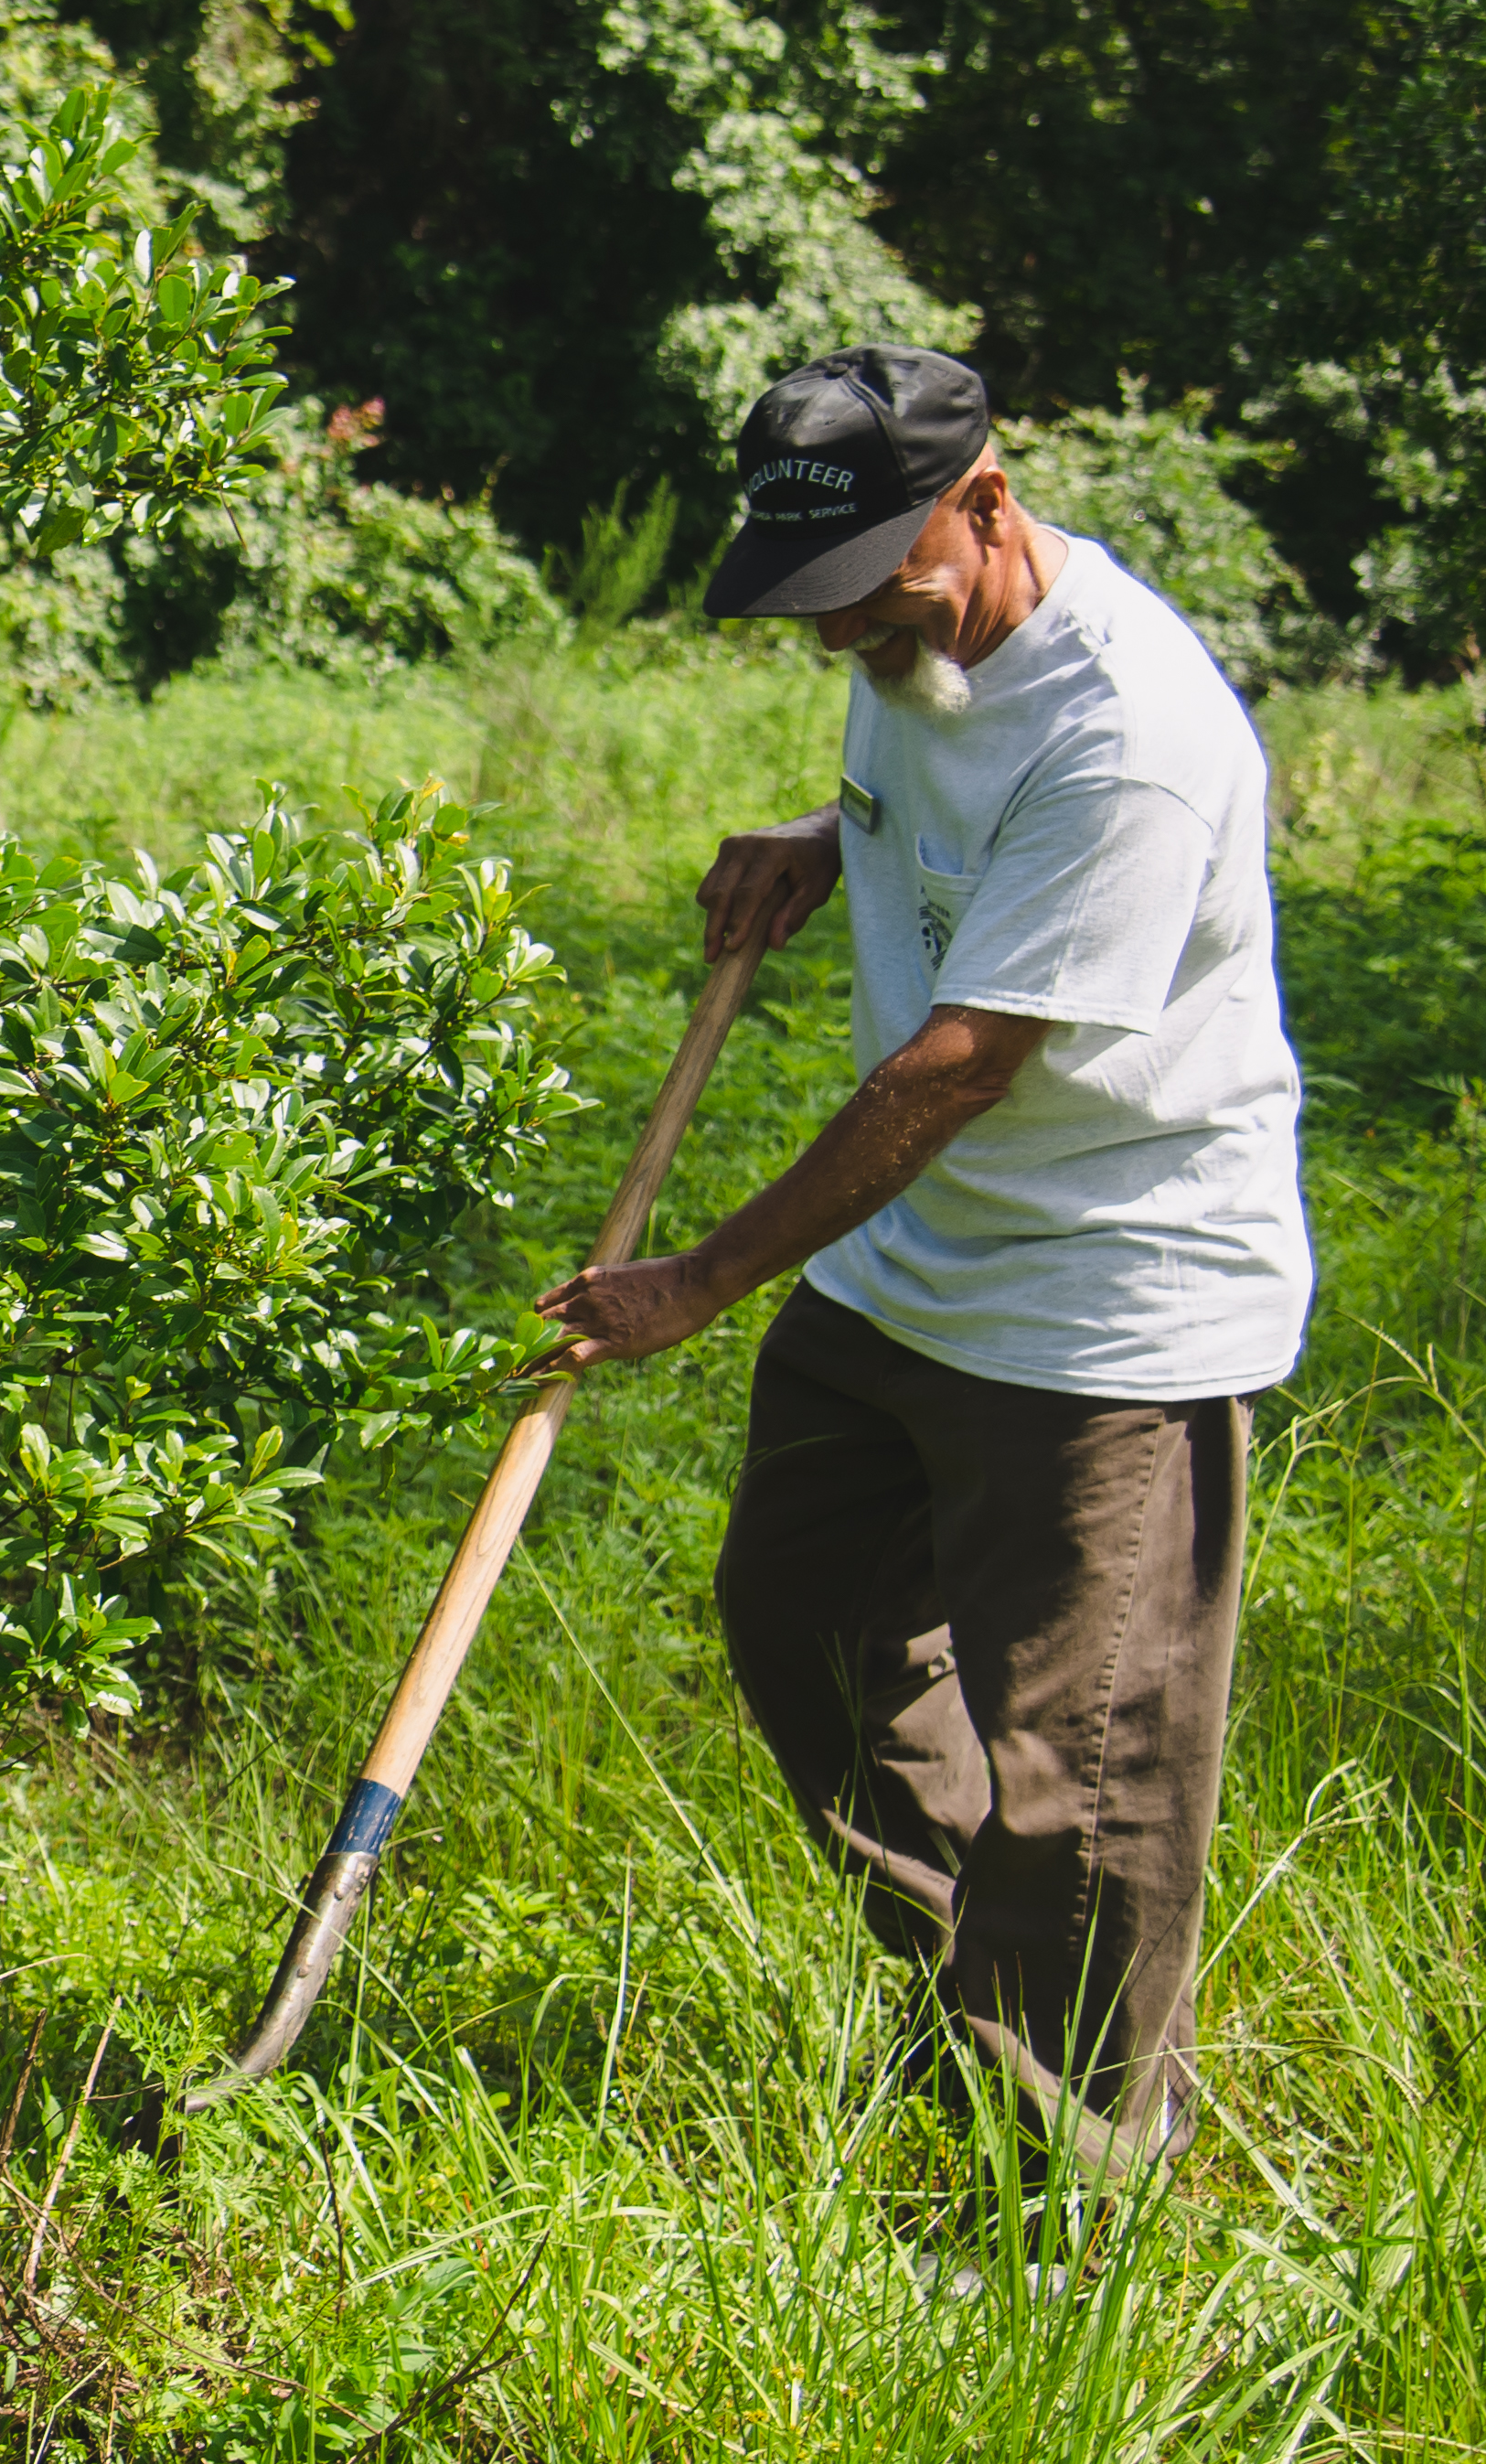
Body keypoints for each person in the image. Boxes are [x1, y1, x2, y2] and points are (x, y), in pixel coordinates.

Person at [540, 342, 1309, 2188]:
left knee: (1084, 1775)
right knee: (806, 1618)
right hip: (915, 1279)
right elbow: (950, 796)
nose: (837, 637)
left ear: (984, 504)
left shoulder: (1133, 737)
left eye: (863, 594)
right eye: (810, 600)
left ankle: (1074, 2205)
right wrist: (826, 834)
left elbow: (958, 1065)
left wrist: (704, 1278)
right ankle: (1001, 2011)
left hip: (1109, 1306)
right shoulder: (927, 639)